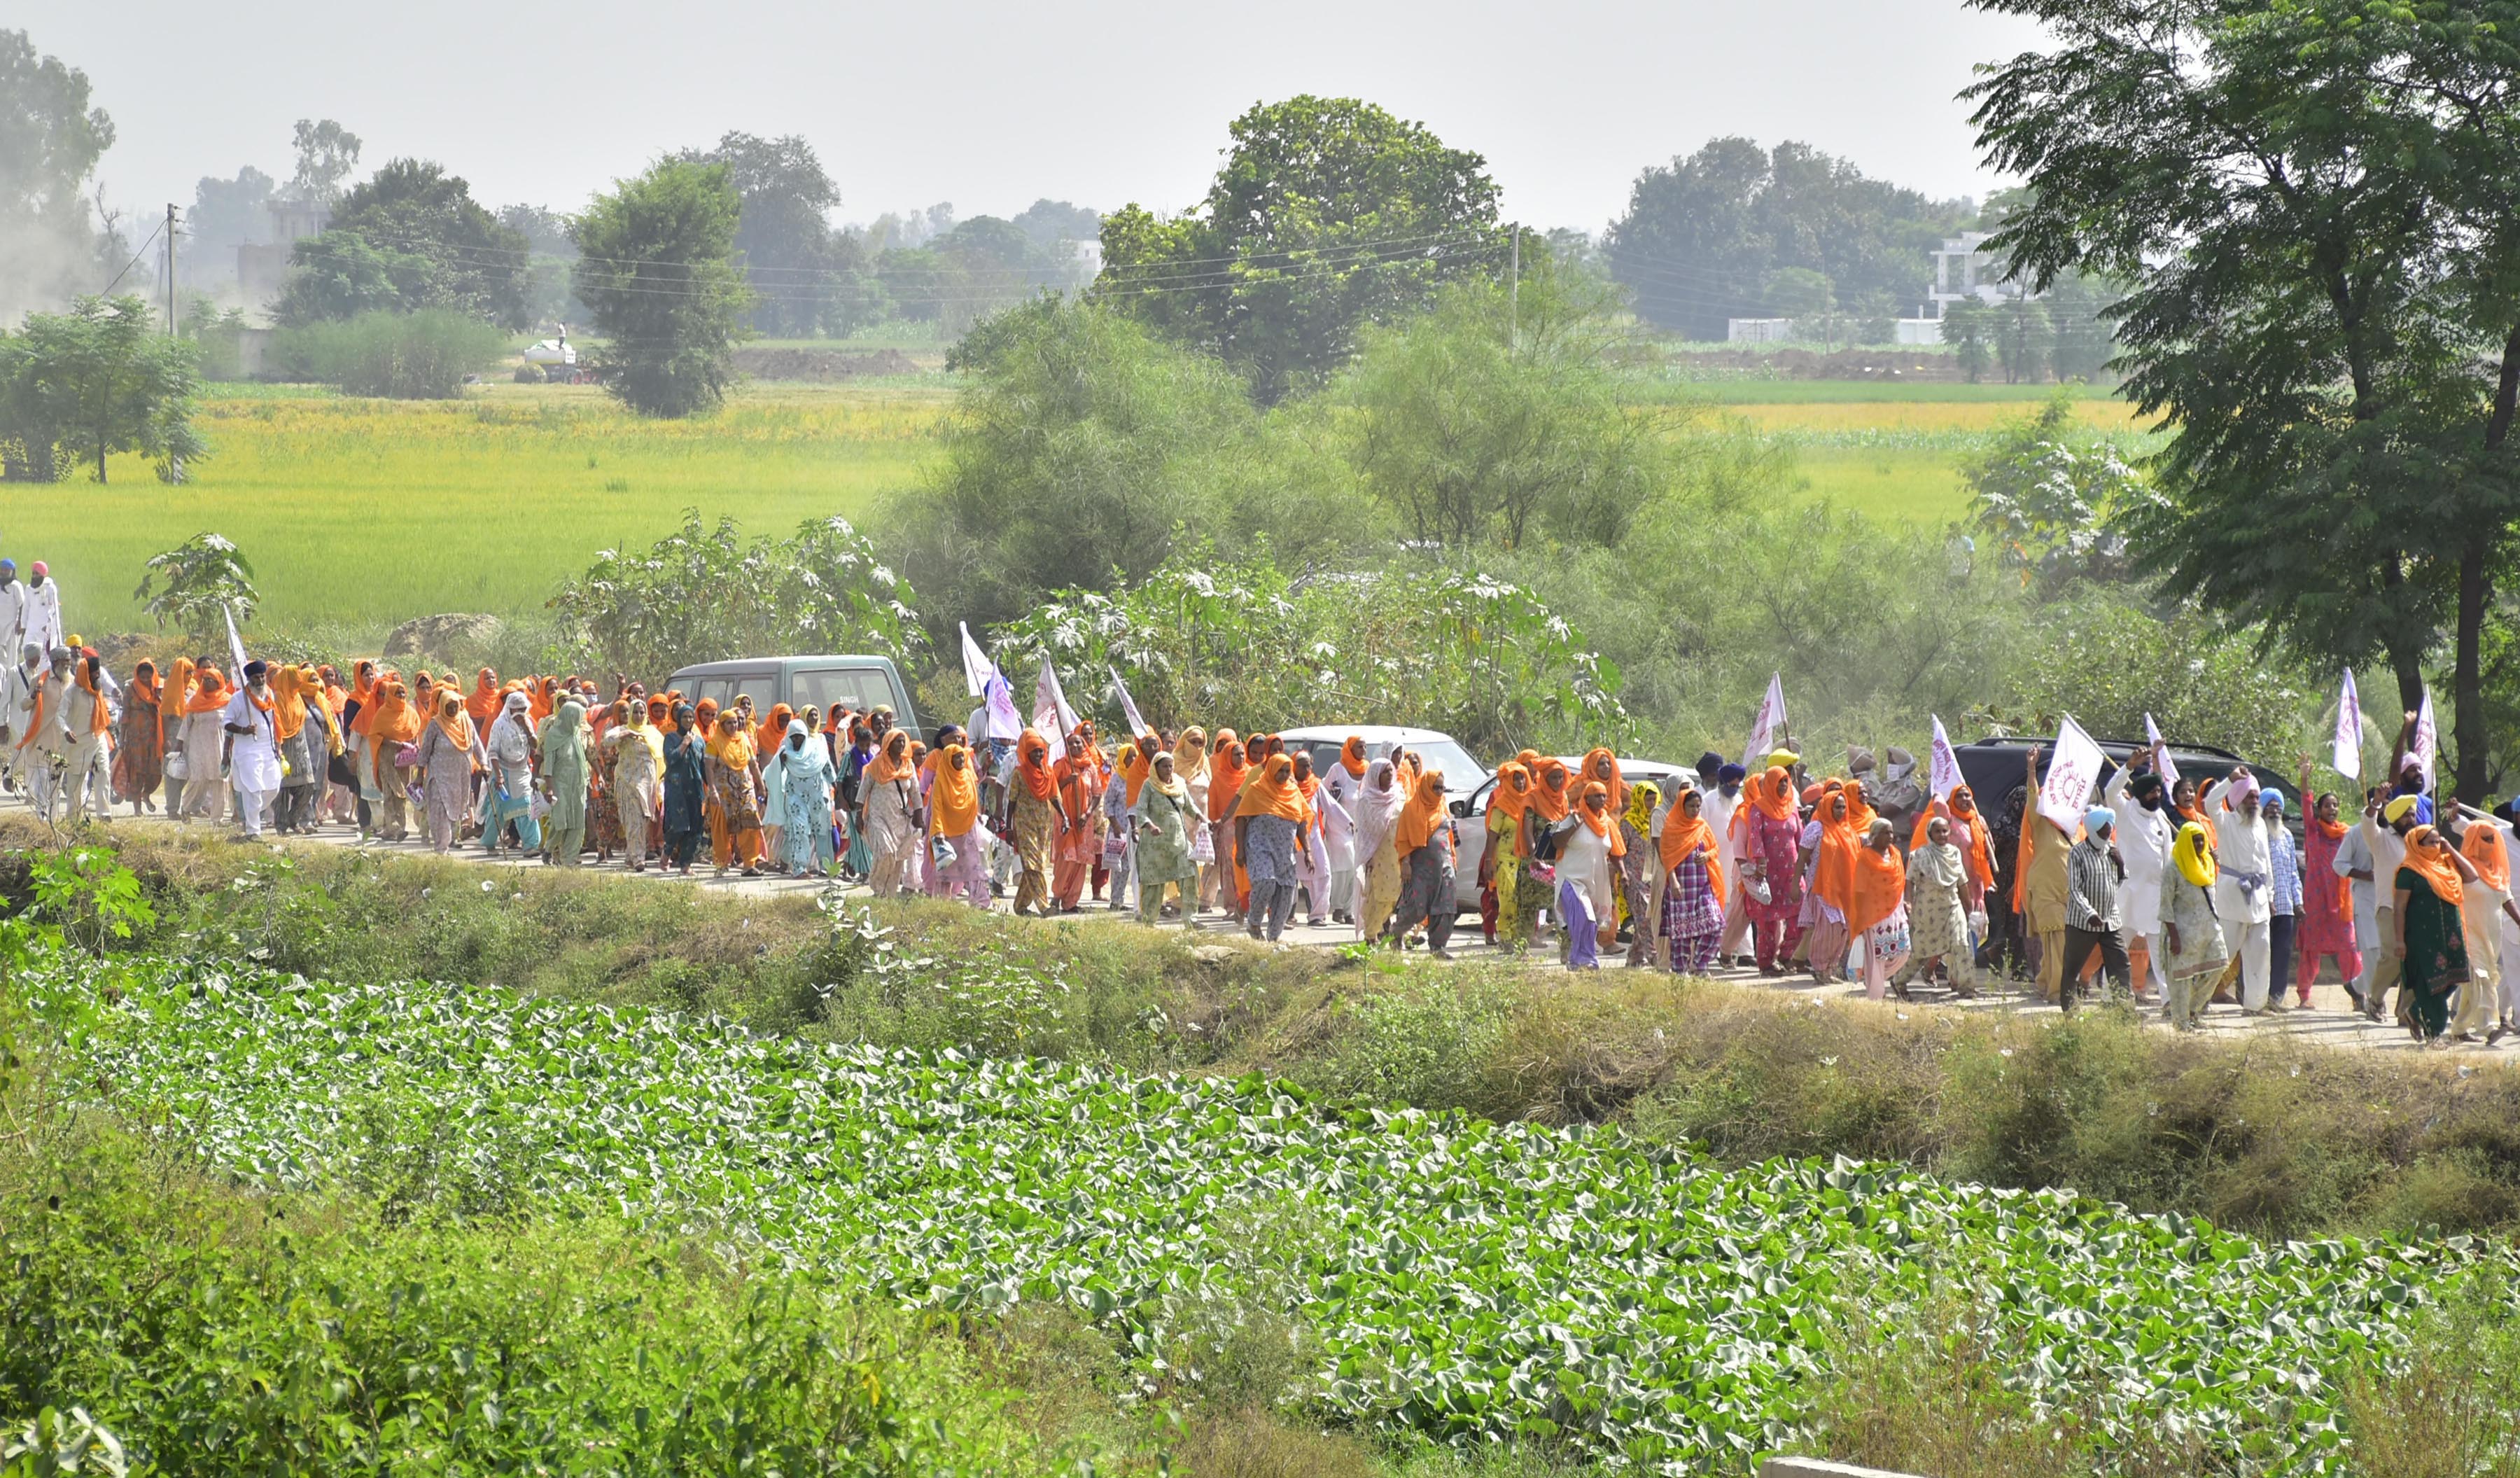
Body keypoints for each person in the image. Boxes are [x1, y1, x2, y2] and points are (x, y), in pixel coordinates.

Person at [2394, 824, 2477, 1045]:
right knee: (2430, 984)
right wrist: (2399, 940)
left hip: (2451, 937)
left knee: (2453, 980)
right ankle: (2435, 1033)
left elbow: (2472, 875)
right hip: (2423, 940)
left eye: (2438, 841)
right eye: (2430, 842)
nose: (2436, 846)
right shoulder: (2409, 871)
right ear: (2416, 845)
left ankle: (2414, 1010)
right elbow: (2400, 908)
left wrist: (2450, 847)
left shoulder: (2447, 864)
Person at [2203, 769, 2277, 1012]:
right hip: (2232, 897)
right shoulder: (2225, 821)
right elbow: (2210, 802)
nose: (2254, 802)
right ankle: (2198, 1000)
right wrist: (2230, 780)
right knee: (2222, 953)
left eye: (2256, 797)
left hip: (2259, 900)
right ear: (2237, 799)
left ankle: (2255, 1006)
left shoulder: (2261, 826)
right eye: (2249, 797)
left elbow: (2266, 864)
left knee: (2261, 951)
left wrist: (2270, 895)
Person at [2107, 755, 2174, 1002]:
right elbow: (2111, 791)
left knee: (2160, 952)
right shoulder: (2126, 811)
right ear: (2141, 794)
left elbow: (2166, 858)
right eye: (2152, 792)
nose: (2157, 795)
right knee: (2118, 948)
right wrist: (2129, 767)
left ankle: (2169, 1002)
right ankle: (2109, 997)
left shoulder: (2161, 820)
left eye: (2159, 790)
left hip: (2156, 896)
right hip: (2130, 894)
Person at [2451, 811, 2520, 1043]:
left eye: (2493, 839)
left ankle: (2459, 1028)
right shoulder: (2463, 869)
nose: (2492, 844)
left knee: (2477, 983)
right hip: (2468, 934)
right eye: (2486, 839)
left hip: (2492, 937)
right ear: (2473, 840)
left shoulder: (2496, 871)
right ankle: (2489, 1027)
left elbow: (2507, 898)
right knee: (2482, 980)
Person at [2295, 769, 2362, 1005]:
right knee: (2311, 950)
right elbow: (2305, 803)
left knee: (2350, 947)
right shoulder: (2313, 830)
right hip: (2316, 900)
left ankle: (2358, 995)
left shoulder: (2347, 834)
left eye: (2335, 805)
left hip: (2342, 902)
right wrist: (2304, 779)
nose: (2332, 809)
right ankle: (2304, 996)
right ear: (2319, 810)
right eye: (2327, 806)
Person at [1893, 815, 1978, 999]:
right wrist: (1907, 902)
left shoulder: (1954, 854)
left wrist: (1968, 906)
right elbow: (1909, 881)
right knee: (1922, 951)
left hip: (1952, 906)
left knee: (1961, 944)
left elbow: (1962, 881)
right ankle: (1899, 981)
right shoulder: (1920, 855)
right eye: (1937, 831)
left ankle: (1967, 988)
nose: (1942, 834)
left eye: (1945, 831)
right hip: (1928, 910)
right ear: (1930, 834)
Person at [2357, 793, 2423, 1023]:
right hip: (2388, 908)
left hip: (2415, 910)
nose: (2411, 819)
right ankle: (2375, 1001)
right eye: (2406, 815)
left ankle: (2406, 1012)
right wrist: (2375, 803)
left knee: (2414, 960)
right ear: (2394, 818)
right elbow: (2367, 823)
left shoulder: (2417, 843)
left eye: (2413, 814)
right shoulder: (2381, 838)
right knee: (2393, 957)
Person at [2059, 807, 2132, 1011]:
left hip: (2110, 920)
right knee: (2072, 968)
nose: (2107, 834)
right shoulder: (2078, 853)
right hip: (2082, 922)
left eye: (2109, 830)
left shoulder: (2112, 849)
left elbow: (2117, 882)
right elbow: (2074, 889)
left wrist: (2120, 864)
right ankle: (2071, 1014)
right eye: (2103, 831)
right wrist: (2089, 913)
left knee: (2121, 965)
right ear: (2092, 830)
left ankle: (2125, 1011)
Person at [2159, 821, 2229, 1031]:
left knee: (2219, 965)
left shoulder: (2207, 864)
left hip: (2208, 930)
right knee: (2181, 979)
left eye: (2201, 839)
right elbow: (2165, 905)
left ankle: (2192, 1009)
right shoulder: (2174, 868)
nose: (2199, 843)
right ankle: (2181, 1022)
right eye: (2194, 839)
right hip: (2182, 933)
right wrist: (2174, 937)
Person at [1236, 753, 1309, 942]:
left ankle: (1274, 936)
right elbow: (1241, 820)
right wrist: (1241, 852)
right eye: (1281, 771)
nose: (1285, 775)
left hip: (1285, 851)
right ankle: (1254, 922)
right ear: (1271, 770)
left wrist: (1308, 852)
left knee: (1285, 892)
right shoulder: (1256, 790)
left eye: (1287, 771)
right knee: (1266, 882)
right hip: (1260, 847)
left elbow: (1301, 823)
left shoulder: (1293, 793)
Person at [1385, 769, 1457, 958]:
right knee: (1417, 907)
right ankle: (1397, 931)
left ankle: (1438, 947)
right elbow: (1403, 838)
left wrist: (1453, 862)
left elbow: (1449, 839)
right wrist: (1405, 862)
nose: (1439, 792)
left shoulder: (1442, 807)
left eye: (1442, 788)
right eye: (1436, 787)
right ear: (1426, 787)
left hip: (1444, 867)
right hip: (1420, 868)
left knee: (1445, 906)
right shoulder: (1412, 809)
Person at [1654, 786, 1723, 975]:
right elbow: (1668, 857)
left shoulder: (1702, 826)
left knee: (1715, 924)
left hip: (1702, 886)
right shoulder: (1672, 828)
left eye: (1698, 807)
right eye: (1691, 806)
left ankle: (1701, 964)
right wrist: (1673, 881)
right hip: (1681, 887)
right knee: (1682, 934)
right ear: (1681, 807)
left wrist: (1708, 856)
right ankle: (1680, 972)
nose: (1695, 811)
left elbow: (1715, 848)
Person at [1556, 779, 1625, 970]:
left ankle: (1585, 959)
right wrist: (1574, 827)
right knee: (1582, 917)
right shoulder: (1573, 818)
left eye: (1604, 795)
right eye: (1597, 795)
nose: (1602, 799)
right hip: (1571, 878)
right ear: (1586, 798)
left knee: (1592, 922)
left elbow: (1616, 853)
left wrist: (1624, 874)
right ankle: (1580, 958)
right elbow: (1557, 843)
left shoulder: (1607, 823)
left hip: (1597, 880)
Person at [1133, 750, 1199, 925]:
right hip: (1155, 847)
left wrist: (1204, 819)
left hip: (1179, 843)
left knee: (1189, 875)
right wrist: (1150, 826)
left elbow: (1190, 806)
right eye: (1165, 766)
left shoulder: (1179, 784)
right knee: (1154, 884)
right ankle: (1149, 922)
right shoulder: (1149, 786)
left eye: (1171, 766)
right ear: (1156, 768)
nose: (1169, 769)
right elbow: (1140, 811)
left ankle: (1191, 919)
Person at [415, 690, 485, 854]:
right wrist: (419, 774)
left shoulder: (466, 722)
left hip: (460, 778)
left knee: (456, 811)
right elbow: (425, 750)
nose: (453, 710)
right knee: (440, 811)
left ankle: (450, 841)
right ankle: (441, 848)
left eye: (456, 706)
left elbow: (477, 744)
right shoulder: (436, 724)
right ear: (442, 707)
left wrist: (484, 763)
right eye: (449, 707)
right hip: (440, 777)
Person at [1847, 817, 1910, 1000]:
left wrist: (1906, 902)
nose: (1890, 836)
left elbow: (1901, 882)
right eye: (1885, 832)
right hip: (1873, 917)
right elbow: (1859, 890)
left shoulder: (1896, 854)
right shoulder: (1865, 857)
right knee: (1877, 957)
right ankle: (1875, 996)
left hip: (1896, 914)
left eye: (1891, 832)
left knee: (1904, 952)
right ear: (1874, 836)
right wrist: (1858, 919)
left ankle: (1874, 977)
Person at [221, 660, 284, 839]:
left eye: (263, 676)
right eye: (256, 678)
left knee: (274, 787)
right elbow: (226, 723)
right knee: (254, 790)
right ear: (249, 679)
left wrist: (277, 746)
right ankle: (253, 830)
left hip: (268, 749)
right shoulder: (239, 699)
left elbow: (273, 724)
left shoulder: (269, 694)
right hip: (248, 751)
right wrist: (243, 730)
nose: (261, 680)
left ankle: (250, 813)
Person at [768, 719, 837, 878]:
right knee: (799, 830)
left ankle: (825, 866)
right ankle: (799, 869)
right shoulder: (786, 752)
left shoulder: (816, 749)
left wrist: (836, 786)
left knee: (821, 832)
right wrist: (780, 762)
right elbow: (773, 772)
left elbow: (827, 767)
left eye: (800, 737)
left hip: (817, 798)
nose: (797, 740)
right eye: (794, 737)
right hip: (796, 798)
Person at [1350, 758, 1407, 943]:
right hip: (1377, 855)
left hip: (1396, 854)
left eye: (1391, 771)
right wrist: (1367, 857)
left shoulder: (1399, 794)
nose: (1390, 775)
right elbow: (1364, 831)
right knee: (1377, 896)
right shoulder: (1367, 799)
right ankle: (1371, 935)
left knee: (1393, 895)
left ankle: (1380, 930)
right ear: (1375, 775)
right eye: (1385, 772)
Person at [1006, 730, 1062, 916]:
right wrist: (1008, 827)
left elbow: (1054, 797)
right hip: (1024, 826)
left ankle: (1020, 906)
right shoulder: (1019, 774)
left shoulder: (1048, 772)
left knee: (1037, 865)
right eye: (1034, 751)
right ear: (1026, 753)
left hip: (1044, 826)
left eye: (1041, 751)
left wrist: (1065, 817)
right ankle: (1043, 905)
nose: (1038, 755)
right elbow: (1012, 801)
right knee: (1032, 864)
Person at [927, 741, 990, 907]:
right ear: (948, 760)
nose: (962, 759)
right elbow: (937, 805)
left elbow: (974, 798)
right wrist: (938, 830)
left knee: (973, 866)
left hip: (967, 830)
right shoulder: (941, 778)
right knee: (946, 869)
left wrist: (977, 816)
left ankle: (980, 902)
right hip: (948, 832)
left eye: (963, 756)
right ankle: (942, 904)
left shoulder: (968, 775)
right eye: (957, 757)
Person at [482, 690, 543, 858]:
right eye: (516, 709)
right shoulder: (499, 724)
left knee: (525, 805)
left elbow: (534, 745)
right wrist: (499, 774)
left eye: (523, 709)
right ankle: (489, 843)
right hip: (502, 770)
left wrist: (526, 727)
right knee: (498, 811)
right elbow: (493, 751)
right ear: (509, 709)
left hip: (521, 771)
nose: (520, 713)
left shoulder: (527, 722)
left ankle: (530, 845)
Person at [864, 730, 921, 897]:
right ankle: (877, 887)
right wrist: (861, 814)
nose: (902, 745)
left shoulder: (908, 766)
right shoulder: (876, 765)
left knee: (897, 858)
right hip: (878, 818)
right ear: (888, 744)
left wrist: (919, 817)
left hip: (899, 819)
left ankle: (890, 893)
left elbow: (915, 793)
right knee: (886, 851)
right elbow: (864, 790)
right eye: (898, 742)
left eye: (903, 742)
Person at [57, 653, 113, 824]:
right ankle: (73, 820)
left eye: (98, 672)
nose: (97, 675)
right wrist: (66, 731)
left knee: (103, 771)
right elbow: (59, 715)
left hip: (96, 738)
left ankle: (104, 814)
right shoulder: (72, 692)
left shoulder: (97, 689)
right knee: (76, 783)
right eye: (93, 673)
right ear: (84, 673)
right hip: (76, 743)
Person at [707, 714, 765, 878]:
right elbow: (709, 767)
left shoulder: (744, 740)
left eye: (736, 723)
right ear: (722, 725)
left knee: (751, 824)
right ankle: (721, 864)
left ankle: (749, 865)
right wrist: (712, 790)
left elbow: (753, 765)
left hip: (745, 791)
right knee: (722, 829)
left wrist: (761, 786)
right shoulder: (715, 743)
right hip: (723, 794)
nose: (734, 726)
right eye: (729, 723)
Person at [364, 675, 421, 842]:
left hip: (404, 760)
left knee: (402, 793)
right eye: (398, 694)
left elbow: (415, 731)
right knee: (390, 792)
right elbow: (374, 735)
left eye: (403, 694)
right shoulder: (383, 714)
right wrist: (393, 742)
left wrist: (412, 746)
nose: (401, 697)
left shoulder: (410, 713)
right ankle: (393, 827)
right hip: (388, 757)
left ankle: (397, 827)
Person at [177, 666, 233, 826]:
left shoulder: (227, 701)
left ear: (219, 682)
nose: (207, 683)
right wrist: (179, 745)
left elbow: (232, 723)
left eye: (211, 680)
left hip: (220, 747)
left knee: (220, 782)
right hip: (198, 747)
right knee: (198, 780)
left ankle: (217, 819)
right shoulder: (195, 701)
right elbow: (186, 725)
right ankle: (186, 808)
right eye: (205, 680)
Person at [537, 697, 590, 865]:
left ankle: (569, 859)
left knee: (577, 822)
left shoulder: (576, 735)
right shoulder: (554, 735)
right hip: (560, 785)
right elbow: (549, 764)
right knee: (561, 821)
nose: (578, 720)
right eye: (576, 716)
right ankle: (549, 849)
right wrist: (550, 788)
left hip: (578, 785)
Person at [1618, 780, 1661, 968]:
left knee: (1646, 917)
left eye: (1654, 799)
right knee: (1646, 916)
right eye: (1647, 800)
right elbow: (1618, 851)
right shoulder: (1628, 823)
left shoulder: (1658, 820)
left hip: (1652, 877)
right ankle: (1654, 956)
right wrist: (1622, 875)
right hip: (1633, 877)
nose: (1650, 804)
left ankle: (1635, 956)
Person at [111, 659, 163, 815]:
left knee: (155, 771)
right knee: (136, 772)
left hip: (154, 737)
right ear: (137, 676)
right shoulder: (130, 689)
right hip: (135, 738)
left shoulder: (158, 688)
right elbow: (125, 714)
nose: (146, 680)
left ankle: (146, 794)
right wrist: (122, 739)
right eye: (143, 677)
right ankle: (137, 809)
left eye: (149, 677)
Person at [22, 563, 62, 655]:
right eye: (33, 573)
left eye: (37, 574)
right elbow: (25, 609)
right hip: (31, 628)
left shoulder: (50, 588)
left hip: (45, 629)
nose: (35, 576)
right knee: (28, 653)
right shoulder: (29, 589)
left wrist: (51, 626)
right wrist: (23, 626)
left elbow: (55, 610)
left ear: (43, 574)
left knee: (44, 656)